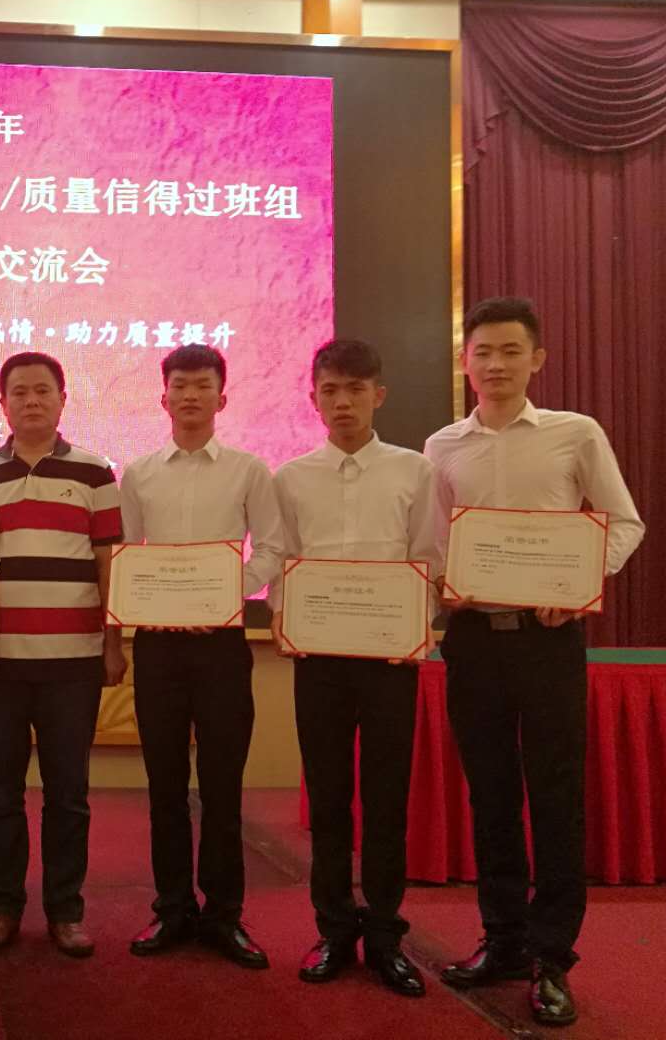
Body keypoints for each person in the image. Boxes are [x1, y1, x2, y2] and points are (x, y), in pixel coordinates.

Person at [425, 297, 644, 1028]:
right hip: (474, 641)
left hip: (549, 642)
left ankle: (553, 957)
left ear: (537, 359)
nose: (496, 364)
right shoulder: (441, 446)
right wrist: (438, 592)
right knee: (489, 796)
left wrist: (577, 586)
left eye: (510, 351)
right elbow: (433, 544)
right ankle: (504, 941)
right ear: (465, 361)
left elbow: (624, 521)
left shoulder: (575, 433)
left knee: (554, 796)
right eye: (483, 352)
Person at [271, 339, 440, 996]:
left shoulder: (414, 471)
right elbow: (283, 562)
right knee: (329, 798)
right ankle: (335, 930)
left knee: (387, 799)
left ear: (379, 395)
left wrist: (412, 626)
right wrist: (285, 619)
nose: (342, 402)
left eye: (355, 389)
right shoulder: (291, 477)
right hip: (319, 661)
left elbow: (428, 559)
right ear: (314, 399)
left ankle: (388, 936)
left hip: (389, 660)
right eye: (330, 391)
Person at [117, 343, 283, 969]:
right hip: (158, 648)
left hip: (222, 645)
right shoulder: (138, 474)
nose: (190, 395)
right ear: (163, 397)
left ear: (222, 396)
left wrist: (225, 592)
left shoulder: (249, 471)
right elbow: (129, 554)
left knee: (221, 785)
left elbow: (272, 550)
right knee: (163, 785)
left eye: (202, 385)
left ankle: (224, 915)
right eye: (180, 385)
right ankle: (171, 908)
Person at [0, 352, 125, 959]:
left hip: (73, 663)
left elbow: (108, 563)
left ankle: (66, 910)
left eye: (42, 391)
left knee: (69, 795)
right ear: (2, 403)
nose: (31, 401)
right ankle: (2, 905)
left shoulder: (95, 472)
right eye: (19, 392)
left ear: (62, 399)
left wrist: (113, 642)